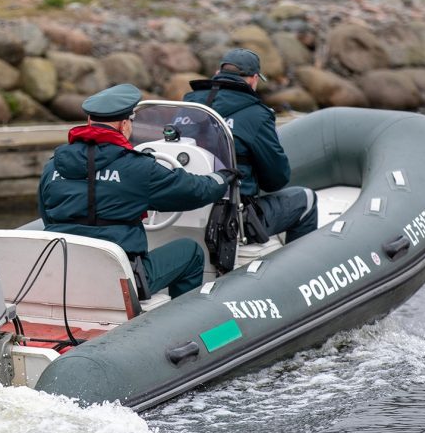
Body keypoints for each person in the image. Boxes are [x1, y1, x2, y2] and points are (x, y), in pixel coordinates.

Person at [38, 84, 235, 298]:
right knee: (191, 251)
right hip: (121, 278)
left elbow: (47, 214)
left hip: (66, 271)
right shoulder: (138, 168)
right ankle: (181, 321)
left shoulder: (53, 165)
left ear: (88, 121)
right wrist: (221, 178)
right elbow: (194, 191)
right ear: (124, 125)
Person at [183, 48, 318, 244]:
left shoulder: (188, 104)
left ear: (218, 74)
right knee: (307, 199)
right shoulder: (257, 115)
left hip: (185, 210)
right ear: (254, 79)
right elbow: (276, 180)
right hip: (232, 221)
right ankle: (300, 271)